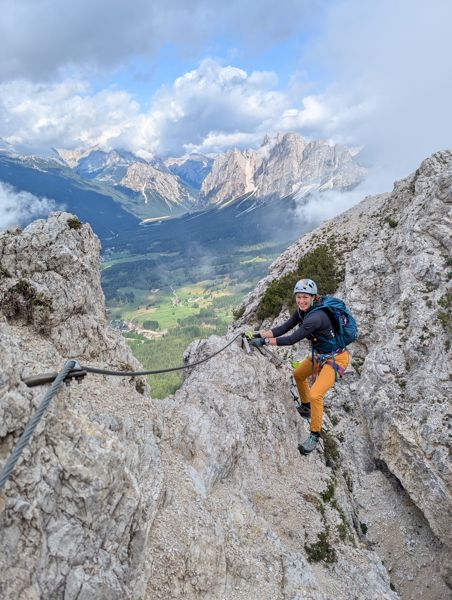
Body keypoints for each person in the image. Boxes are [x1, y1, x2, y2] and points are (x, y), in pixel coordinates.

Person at [250, 278, 349, 455]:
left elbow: (291, 339)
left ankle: (315, 434)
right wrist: (257, 334)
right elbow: (283, 328)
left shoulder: (316, 317)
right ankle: (306, 407)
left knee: (316, 394)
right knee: (298, 374)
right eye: (299, 297)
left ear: (313, 297)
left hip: (336, 359)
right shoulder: (303, 312)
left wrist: (264, 341)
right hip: (320, 356)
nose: (301, 301)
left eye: (305, 297)